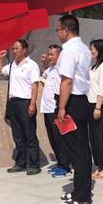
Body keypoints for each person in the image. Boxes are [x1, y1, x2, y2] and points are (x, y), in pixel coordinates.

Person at [55, 15, 93, 204]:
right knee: (80, 148)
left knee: (77, 150)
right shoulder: (84, 48)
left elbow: (67, 81)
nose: (57, 33)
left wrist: (62, 107)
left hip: (71, 102)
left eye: (58, 30)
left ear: (66, 30)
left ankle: (82, 196)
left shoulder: (69, 50)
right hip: (80, 100)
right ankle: (80, 189)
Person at [0, 40, 41, 175]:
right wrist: (0, 58)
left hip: (25, 103)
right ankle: (21, 163)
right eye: (13, 49)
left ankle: (34, 164)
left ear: (25, 50)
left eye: (17, 48)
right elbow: (0, 71)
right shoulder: (12, 65)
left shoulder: (31, 65)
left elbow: (35, 85)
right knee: (18, 135)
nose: (14, 51)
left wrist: (32, 103)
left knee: (29, 134)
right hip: (13, 103)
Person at [40, 45, 71, 176]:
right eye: (49, 54)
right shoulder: (51, 69)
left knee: (59, 138)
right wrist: (44, 63)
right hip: (47, 108)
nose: (49, 57)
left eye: (52, 54)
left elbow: (63, 88)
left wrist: (61, 107)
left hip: (55, 108)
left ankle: (65, 165)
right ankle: (60, 162)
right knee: (52, 137)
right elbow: (43, 75)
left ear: (59, 55)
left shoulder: (60, 70)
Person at [88, 39, 103, 179]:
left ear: (99, 50)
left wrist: (98, 107)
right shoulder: (95, 66)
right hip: (91, 103)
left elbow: (102, 89)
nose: (91, 51)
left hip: (100, 105)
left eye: (93, 48)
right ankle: (99, 165)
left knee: (101, 136)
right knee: (94, 137)